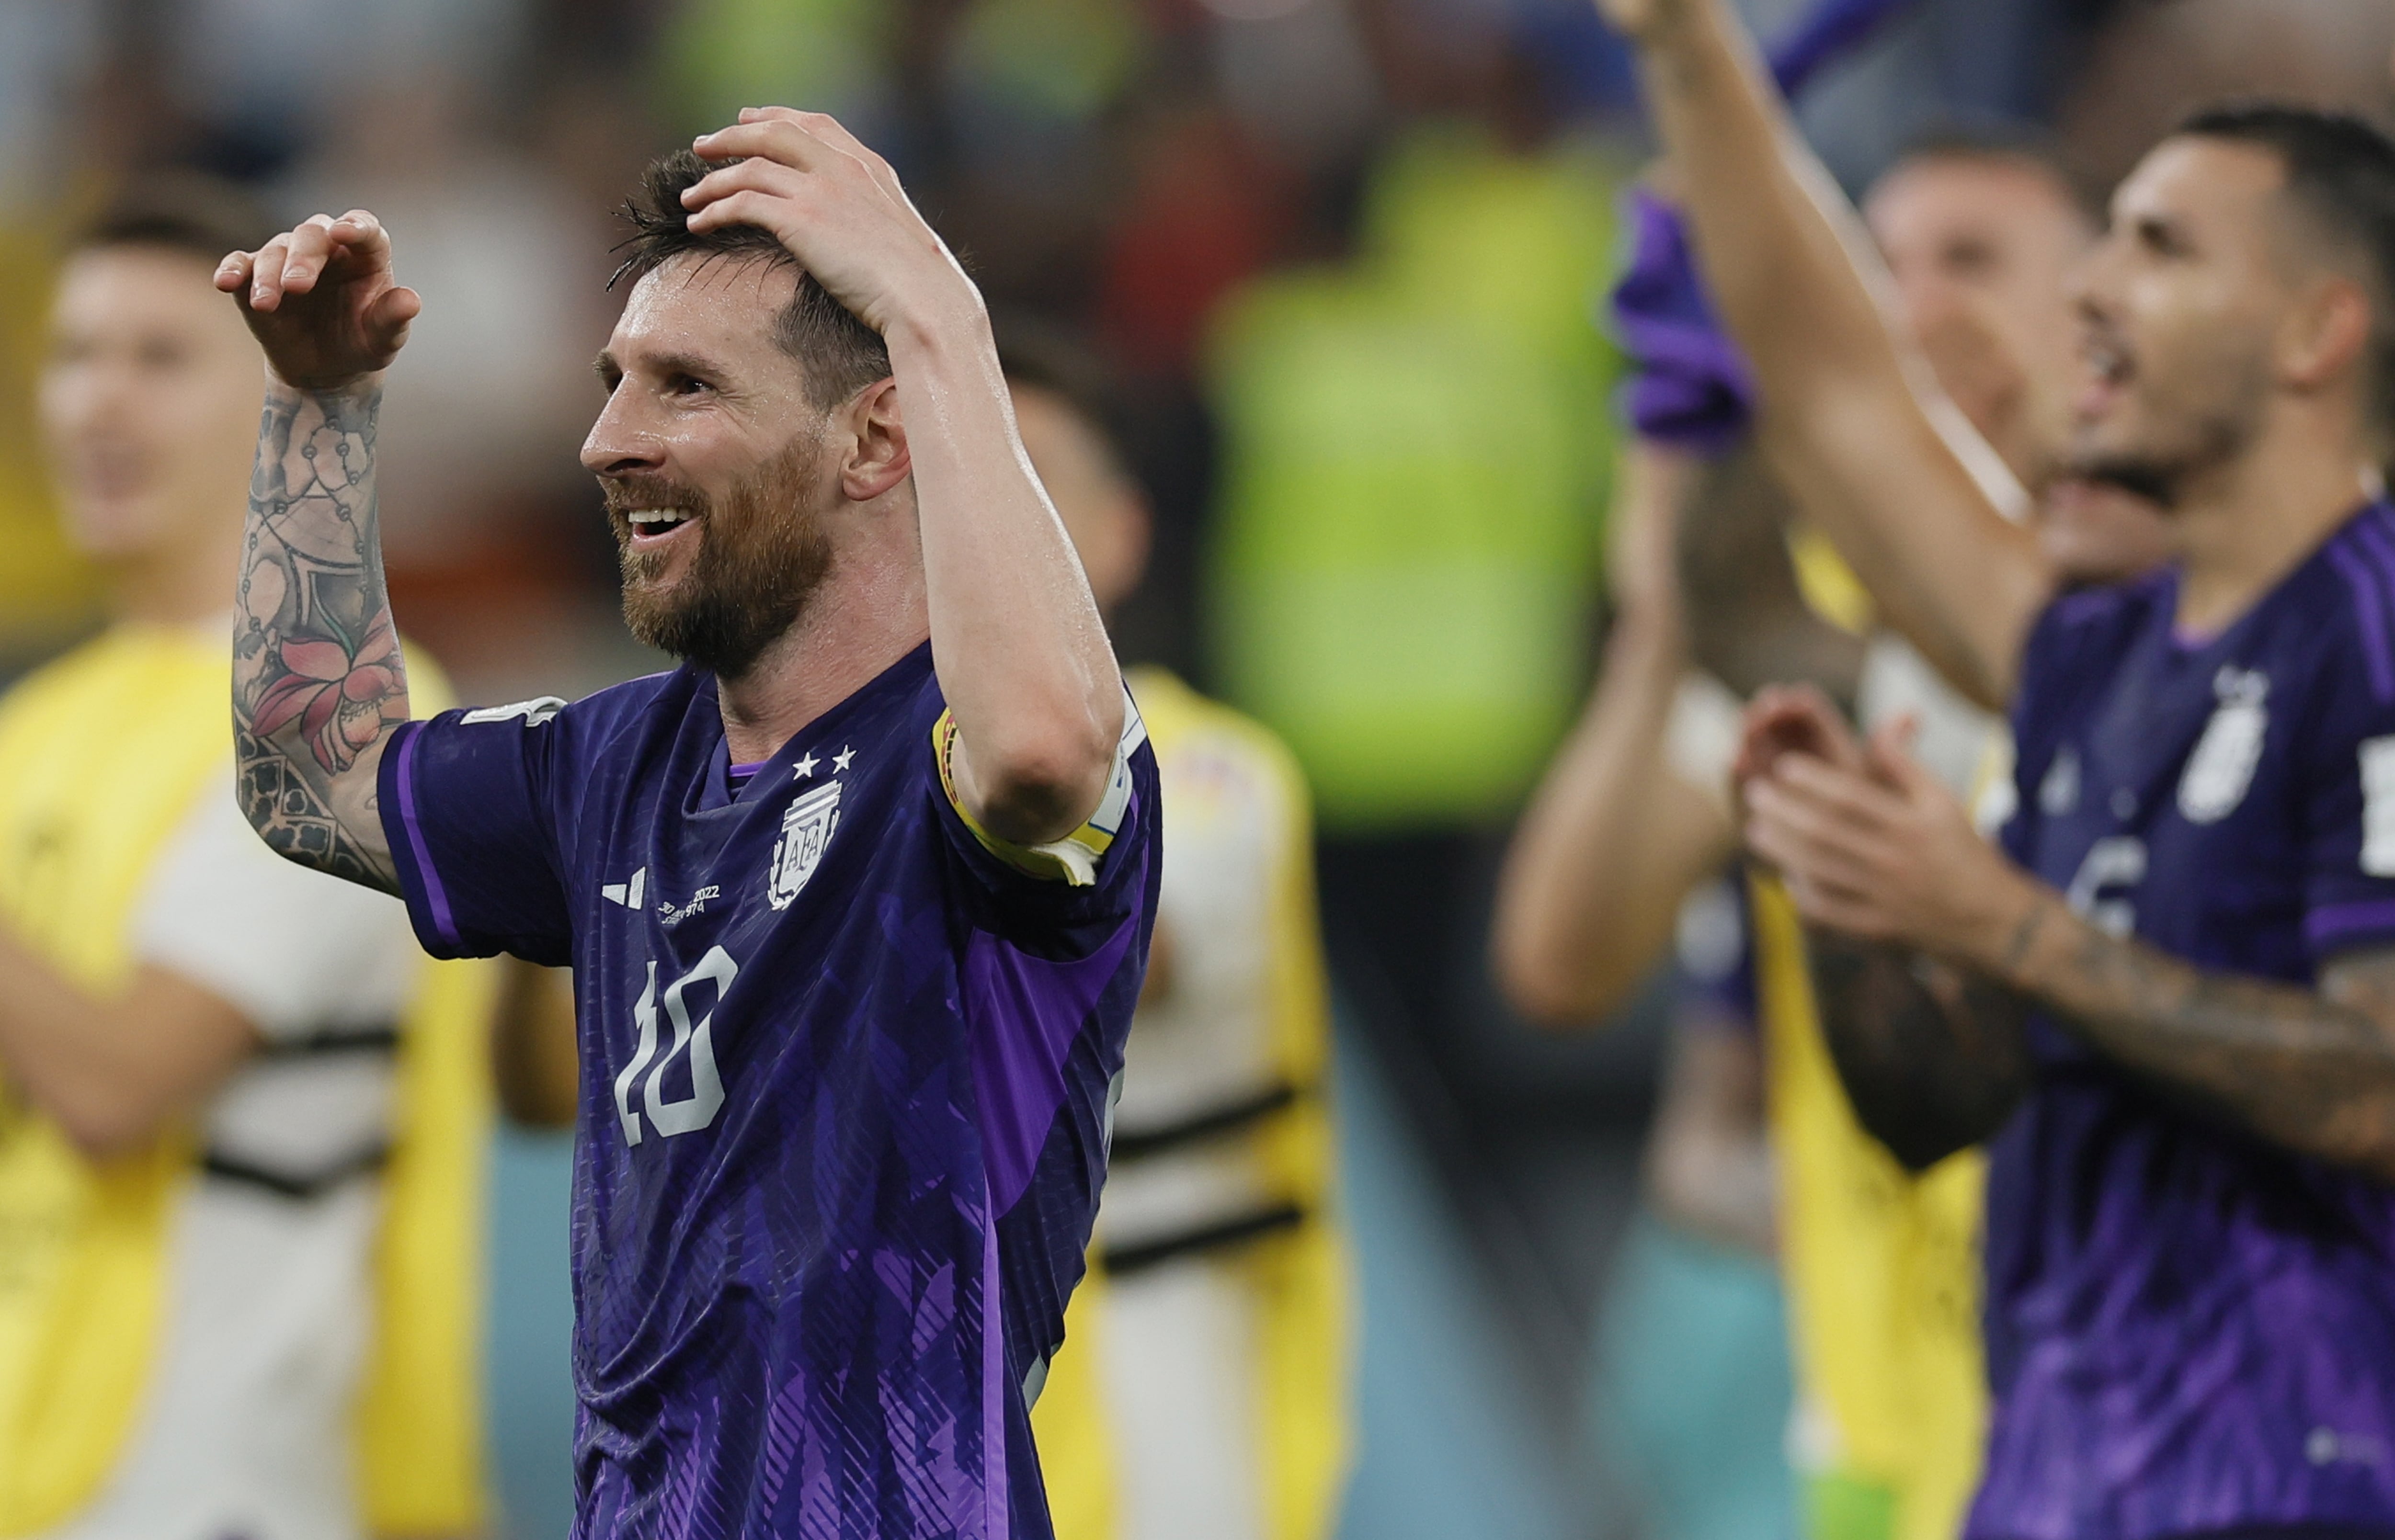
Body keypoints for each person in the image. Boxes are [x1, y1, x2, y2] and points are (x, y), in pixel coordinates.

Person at [217, 109, 1159, 1539]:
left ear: (875, 439)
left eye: (685, 388)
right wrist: (319, 411)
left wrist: (934, 311)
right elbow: (308, 768)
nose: (607, 439)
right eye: (613, 383)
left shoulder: (964, 767)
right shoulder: (611, 766)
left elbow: (1039, 750)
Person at [1601, 0, 2395, 1528]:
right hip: (2046, 1480)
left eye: (2160, 249)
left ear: (2319, 330)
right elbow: (1937, 1111)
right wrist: (1868, 902)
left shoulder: (2369, 639)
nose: (2093, 287)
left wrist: (2002, 926)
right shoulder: (2089, 663)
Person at [1495, 126, 2166, 1540]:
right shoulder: (1797, 626)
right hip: (1882, 1453)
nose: (1917, 307)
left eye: (1972, 261)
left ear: (2096, 310)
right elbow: (1567, 975)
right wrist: (1669, 602)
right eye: (1881, 266)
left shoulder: (2206, 606)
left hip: (2157, 1425)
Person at [0, 176, 492, 1540]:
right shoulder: (36, 729)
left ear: (270, 395)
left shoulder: (341, 724)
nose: (99, 402)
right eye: (74, 356)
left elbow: (114, 1081)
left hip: (225, 1486)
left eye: (158, 359)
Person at [1000, 335, 1353, 1540]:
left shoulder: (1216, 775)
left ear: (1124, 534)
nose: (986, 516)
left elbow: (1106, 945)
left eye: (1029, 477)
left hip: (1185, 1439)